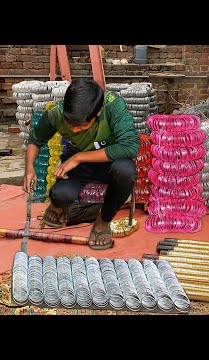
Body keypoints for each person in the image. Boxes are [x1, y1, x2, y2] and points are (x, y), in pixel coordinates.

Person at [23, 78, 140, 250]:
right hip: (78, 166)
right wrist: (29, 168)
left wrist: (79, 157)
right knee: (61, 195)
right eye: (70, 125)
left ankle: (103, 221)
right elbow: (35, 139)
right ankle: (59, 206)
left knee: (126, 172)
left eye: (83, 125)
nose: (75, 130)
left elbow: (130, 147)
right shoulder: (57, 113)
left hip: (111, 161)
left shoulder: (113, 106)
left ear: (98, 112)